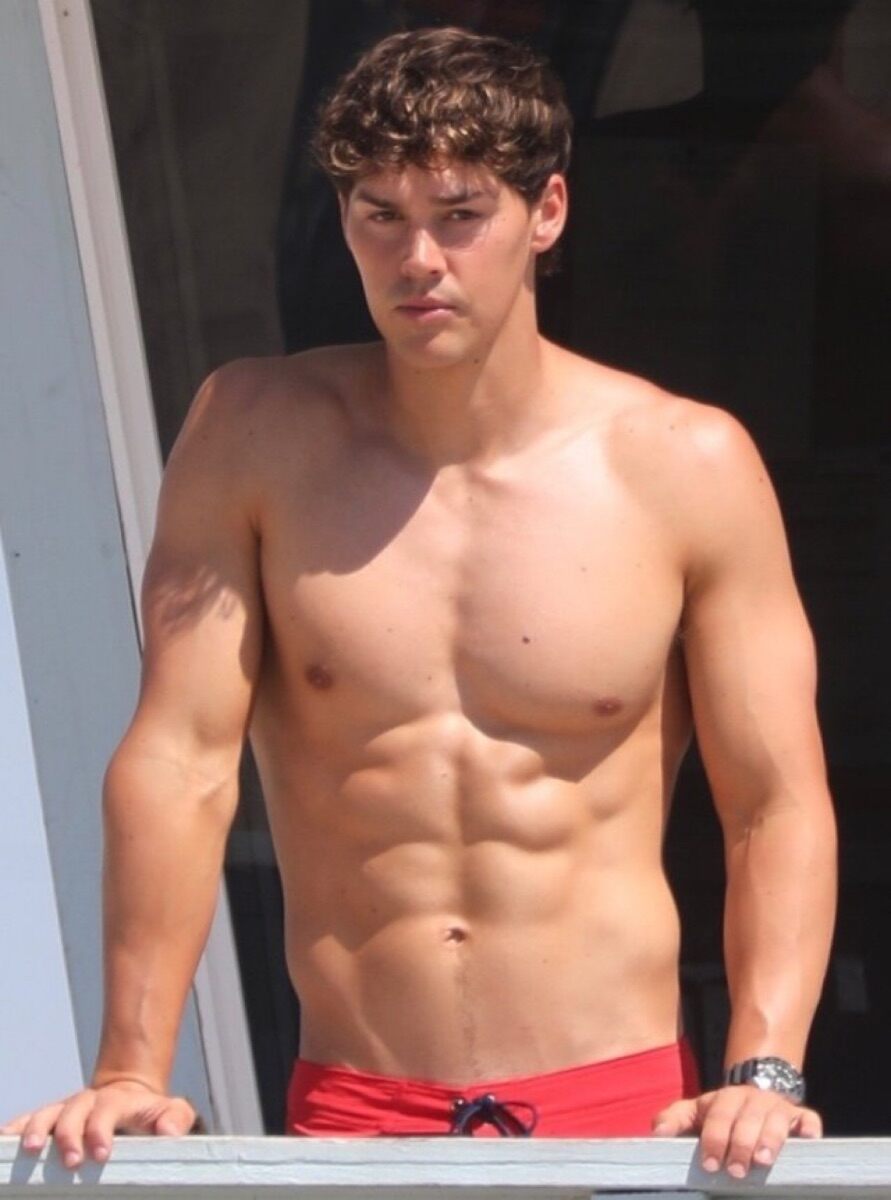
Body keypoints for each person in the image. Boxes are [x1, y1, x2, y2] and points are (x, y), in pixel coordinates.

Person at [2, 25, 836, 1177]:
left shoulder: (685, 464)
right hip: (354, 1112)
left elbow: (773, 803)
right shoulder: (253, 436)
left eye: (459, 214)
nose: (418, 259)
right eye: (380, 216)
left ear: (546, 212)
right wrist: (130, 1069)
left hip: (623, 1111)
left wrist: (765, 1070)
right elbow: (182, 761)